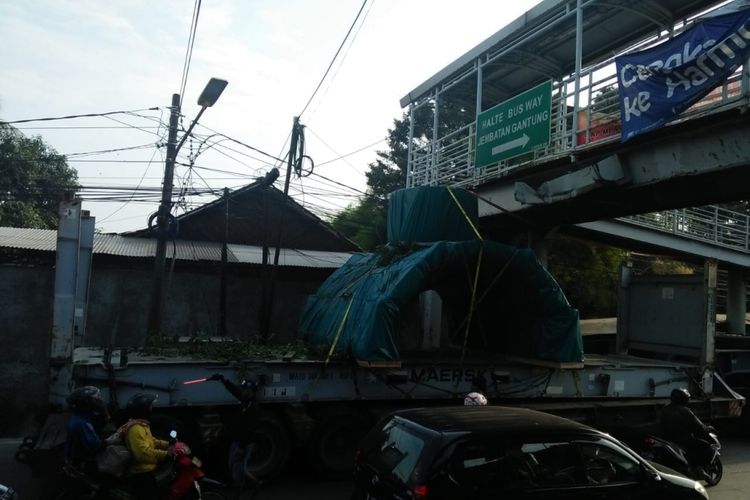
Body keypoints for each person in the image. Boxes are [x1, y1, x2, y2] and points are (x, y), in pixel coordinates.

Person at [209, 374, 262, 491]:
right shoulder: (246, 400)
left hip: (244, 444)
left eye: (245, 390)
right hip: (239, 441)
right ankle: (248, 484)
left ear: (252, 392)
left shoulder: (252, 408)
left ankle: (247, 487)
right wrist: (223, 380)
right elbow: (235, 391)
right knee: (235, 466)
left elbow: (249, 429)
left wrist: (242, 446)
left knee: (239, 469)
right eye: (243, 389)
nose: (242, 391)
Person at [122, 393, 172, 500]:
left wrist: (167, 444)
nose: (152, 409)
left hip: (148, 470)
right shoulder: (136, 429)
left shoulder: (142, 425)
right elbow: (142, 453)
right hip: (141, 474)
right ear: (143, 410)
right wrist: (166, 454)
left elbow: (151, 441)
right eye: (150, 407)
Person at [660, 388, 713, 479]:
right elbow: (699, 427)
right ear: (683, 399)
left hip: (668, 438)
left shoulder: (665, 409)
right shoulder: (685, 411)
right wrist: (708, 428)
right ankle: (698, 469)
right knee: (707, 446)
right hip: (684, 439)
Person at [65, 386, 108, 474]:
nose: (99, 402)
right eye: (96, 400)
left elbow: (101, 422)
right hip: (82, 466)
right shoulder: (81, 423)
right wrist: (109, 442)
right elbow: (95, 445)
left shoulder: (81, 417)